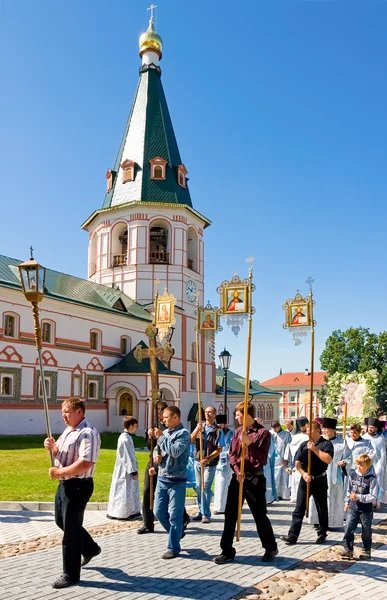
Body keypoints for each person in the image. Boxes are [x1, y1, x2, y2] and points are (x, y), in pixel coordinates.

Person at [43, 397, 101, 589]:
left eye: (66, 412)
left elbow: (85, 463)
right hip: (65, 485)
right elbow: (62, 452)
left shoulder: (88, 433)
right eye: (62, 412)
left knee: (71, 532)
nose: (63, 416)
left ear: (79, 412)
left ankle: (70, 574)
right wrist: (53, 448)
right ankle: (90, 548)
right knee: (62, 521)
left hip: (78, 486)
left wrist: (60, 472)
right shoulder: (69, 431)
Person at [213, 402, 278, 565]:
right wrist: (237, 471)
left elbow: (262, 459)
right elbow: (232, 455)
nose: (235, 417)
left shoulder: (263, 433)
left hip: (255, 479)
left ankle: (270, 547)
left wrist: (249, 443)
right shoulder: (237, 432)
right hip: (239, 478)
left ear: (246, 414)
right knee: (230, 514)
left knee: (259, 515)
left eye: (237, 414)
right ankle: (226, 550)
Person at [281, 420, 334, 545]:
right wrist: (303, 474)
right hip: (306, 480)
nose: (307, 432)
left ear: (316, 430)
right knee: (299, 508)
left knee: (321, 508)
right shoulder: (304, 444)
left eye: (309, 430)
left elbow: (328, 460)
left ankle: (322, 533)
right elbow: (297, 462)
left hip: (320, 479)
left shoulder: (326, 444)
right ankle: (292, 535)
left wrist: (315, 449)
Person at [153, 406, 191, 559]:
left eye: (167, 417)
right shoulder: (165, 432)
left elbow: (175, 451)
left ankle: (173, 547)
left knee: (175, 516)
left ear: (176, 417)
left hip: (177, 480)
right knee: (158, 512)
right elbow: (158, 449)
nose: (164, 420)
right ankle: (177, 533)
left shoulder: (184, 434)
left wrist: (161, 438)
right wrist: (157, 456)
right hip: (162, 478)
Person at [309, 417, 345, 528]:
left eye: (327, 429)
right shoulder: (319, 442)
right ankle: (316, 520)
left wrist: (344, 462)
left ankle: (332, 522)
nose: (325, 431)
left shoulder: (342, 443)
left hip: (335, 474)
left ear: (333, 430)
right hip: (320, 472)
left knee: (333, 498)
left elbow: (349, 457)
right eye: (324, 429)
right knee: (318, 498)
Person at [341, 454, 378, 560]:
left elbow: (373, 496)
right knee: (348, 527)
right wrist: (347, 502)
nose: (359, 467)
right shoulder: (352, 475)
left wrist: (359, 497)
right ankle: (348, 549)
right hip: (353, 507)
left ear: (368, 466)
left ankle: (366, 550)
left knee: (366, 530)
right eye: (358, 465)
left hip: (366, 510)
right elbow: (348, 490)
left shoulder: (372, 479)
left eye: (362, 466)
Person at [191, 406, 224, 523]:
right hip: (197, 461)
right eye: (206, 412)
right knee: (199, 487)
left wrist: (208, 458)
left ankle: (206, 514)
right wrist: (197, 430)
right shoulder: (200, 427)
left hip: (210, 463)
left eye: (210, 412)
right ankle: (201, 512)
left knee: (205, 487)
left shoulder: (218, 431)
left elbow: (219, 448)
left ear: (214, 415)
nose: (207, 414)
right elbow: (190, 439)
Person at [106, 416, 141, 521]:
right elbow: (127, 456)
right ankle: (122, 512)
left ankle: (131, 510)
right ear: (130, 426)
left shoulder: (127, 437)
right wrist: (133, 471)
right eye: (135, 426)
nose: (136, 428)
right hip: (125, 469)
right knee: (123, 490)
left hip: (125, 468)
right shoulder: (124, 439)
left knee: (129, 490)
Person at [283, 416, 309, 502]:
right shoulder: (295, 436)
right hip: (297, 461)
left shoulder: (308, 435)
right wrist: (286, 458)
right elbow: (289, 447)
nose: (303, 428)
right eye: (301, 426)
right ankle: (297, 497)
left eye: (304, 425)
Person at [363, 417, 387, 505]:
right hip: (366, 464)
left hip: (378, 464)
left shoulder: (380, 438)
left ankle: (375, 501)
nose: (370, 429)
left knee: (377, 483)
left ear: (376, 428)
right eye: (369, 427)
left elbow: (382, 452)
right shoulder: (364, 437)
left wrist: (381, 465)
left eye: (372, 427)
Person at [213, 414, 234, 514]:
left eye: (222, 424)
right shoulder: (216, 433)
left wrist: (226, 454)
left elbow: (234, 448)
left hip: (227, 463)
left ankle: (222, 507)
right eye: (218, 424)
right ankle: (218, 505)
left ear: (226, 424)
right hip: (217, 462)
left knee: (224, 484)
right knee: (218, 484)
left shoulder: (231, 434)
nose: (220, 426)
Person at [271, 421, 292, 500]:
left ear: (278, 427)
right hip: (274, 459)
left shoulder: (286, 434)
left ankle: (283, 494)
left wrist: (286, 458)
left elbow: (289, 446)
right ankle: (274, 494)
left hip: (283, 459)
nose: (274, 430)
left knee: (283, 477)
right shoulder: (272, 434)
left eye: (275, 429)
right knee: (275, 476)